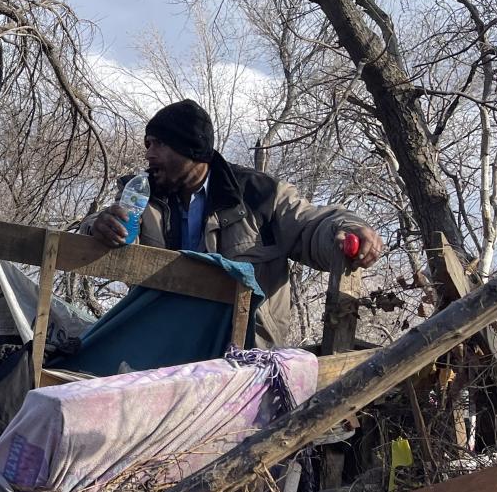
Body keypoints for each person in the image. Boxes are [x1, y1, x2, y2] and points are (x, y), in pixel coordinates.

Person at [81, 99, 384, 347]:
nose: (148, 154)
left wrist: (348, 230)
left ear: (190, 148)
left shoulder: (259, 194)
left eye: (158, 144)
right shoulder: (141, 194)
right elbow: (108, 242)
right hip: (162, 346)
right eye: (148, 144)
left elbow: (311, 225)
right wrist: (99, 227)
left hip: (241, 354)